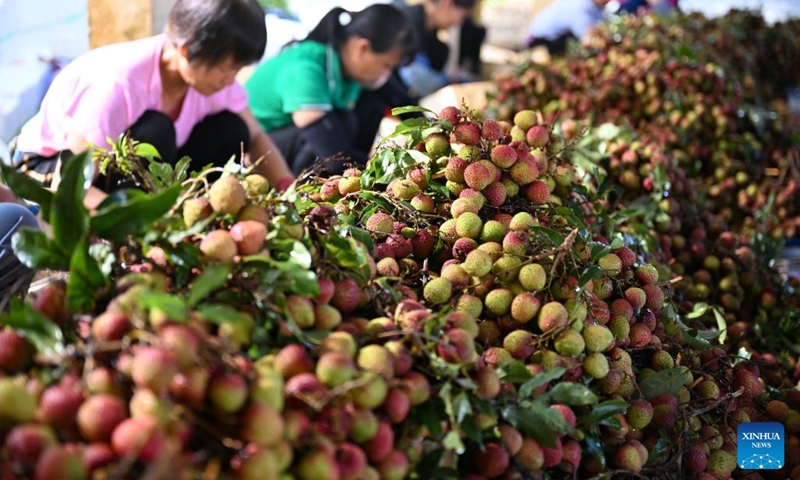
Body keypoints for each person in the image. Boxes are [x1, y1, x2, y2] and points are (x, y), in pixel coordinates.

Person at [8, 0, 294, 211]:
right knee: (156, 132)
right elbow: (69, 188)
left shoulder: (213, 83)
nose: (231, 80)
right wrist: (145, 218)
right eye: (227, 68)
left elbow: (255, 135)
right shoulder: (118, 85)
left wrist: (288, 192)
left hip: (121, 178)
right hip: (49, 167)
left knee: (231, 129)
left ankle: (192, 211)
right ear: (186, 50)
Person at [245, 4, 417, 176]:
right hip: (256, 151)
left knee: (372, 106)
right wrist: (381, 176)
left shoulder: (351, 68)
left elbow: (401, 100)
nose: (386, 75)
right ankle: (302, 196)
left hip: (298, 139)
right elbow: (331, 152)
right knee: (322, 139)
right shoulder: (306, 69)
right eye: (386, 66)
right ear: (362, 48)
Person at [391, 0, 481, 99]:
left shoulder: (433, 40)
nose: (459, 22)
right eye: (462, 16)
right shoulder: (405, 25)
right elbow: (411, 73)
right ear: (447, 3)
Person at [526, 0, 609, 56]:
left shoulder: (596, 7)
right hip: (542, 40)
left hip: (558, 37)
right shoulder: (580, 6)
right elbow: (587, 37)